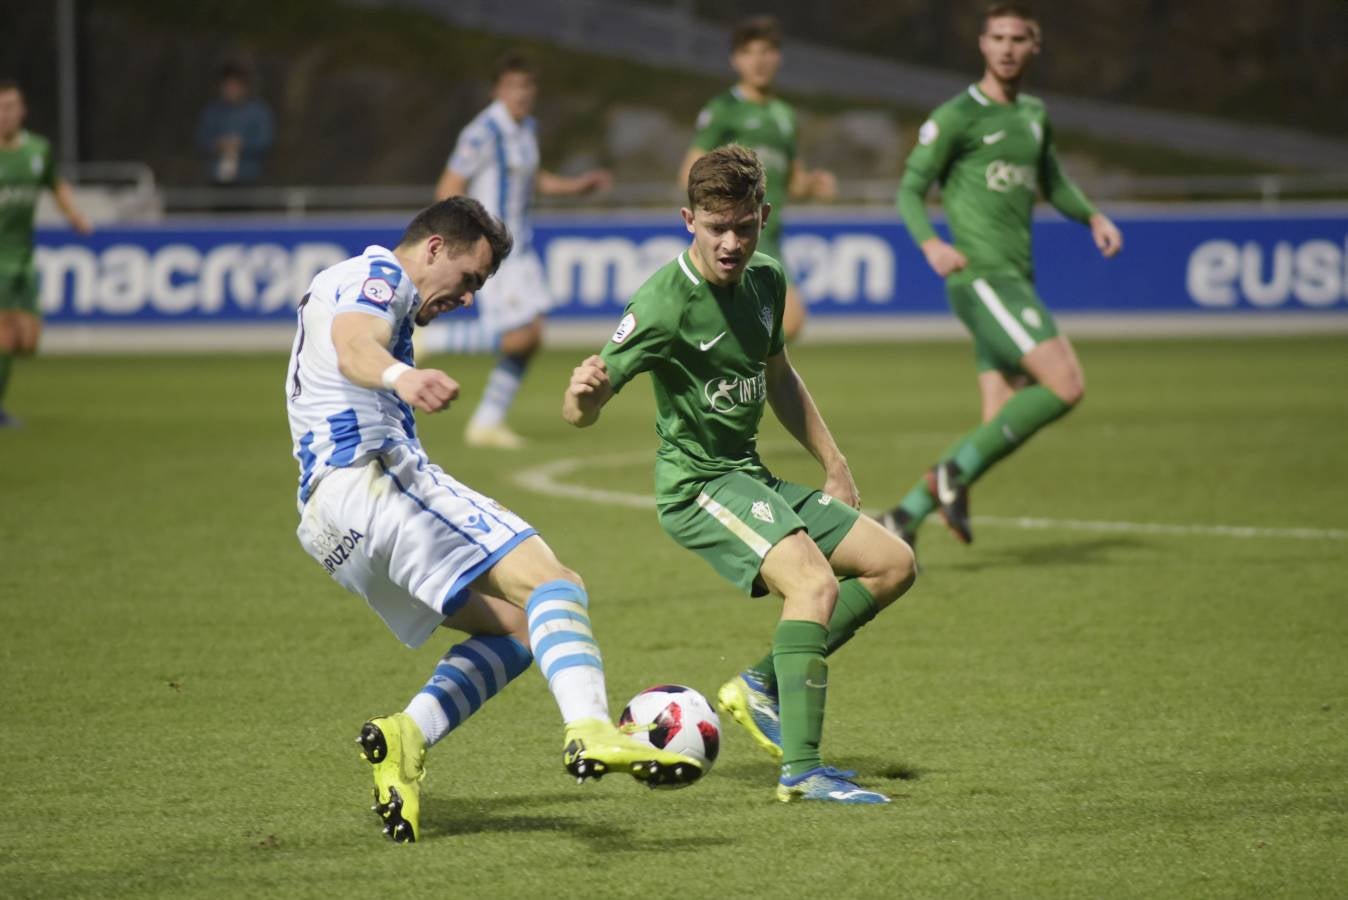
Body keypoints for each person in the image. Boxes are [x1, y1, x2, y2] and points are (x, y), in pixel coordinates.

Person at [287, 197, 700, 844]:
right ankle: (591, 729)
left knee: (519, 629)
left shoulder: (344, 281)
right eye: (470, 279)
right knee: (555, 584)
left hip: (328, 525)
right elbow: (351, 345)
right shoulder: (381, 277)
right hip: (372, 478)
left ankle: (407, 737)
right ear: (432, 249)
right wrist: (402, 377)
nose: (469, 298)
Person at [563, 146, 917, 804]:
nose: (730, 244)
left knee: (892, 563)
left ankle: (759, 686)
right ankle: (803, 772)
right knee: (813, 584)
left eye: (744, 227)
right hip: (698, 486)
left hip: (747, 474)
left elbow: (778, 375)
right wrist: (584, 394)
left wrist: (833, 463)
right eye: (715, 227)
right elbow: (580, 410)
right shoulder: (663, 303)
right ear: (687, 220)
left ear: (764, 218)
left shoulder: (767, 282)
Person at [878, 4, 1123, 547]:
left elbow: (1054, 182)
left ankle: (904, 516)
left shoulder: (1033, 114)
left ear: (1035, 46)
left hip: (1016, 278)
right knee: (1065, 383)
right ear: (982, 45)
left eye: (1019, 38)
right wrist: (932, 245)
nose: (1008, 47)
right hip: (982, 278)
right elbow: (909, 190)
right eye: (998, 37)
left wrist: (1093, 217)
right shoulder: (956, 116)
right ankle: (948, 475)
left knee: (1000, 419)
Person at [430, 51, 611, 449]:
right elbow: (447, 187)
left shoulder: (526, 127)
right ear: (498, 90)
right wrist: (466, 239)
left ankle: (487, 423)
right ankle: (430, 343)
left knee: (533, 335)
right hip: (491, 251)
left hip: (521, 249)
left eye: (527, 86)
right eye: (513, 86)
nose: (521, 94)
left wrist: (575, 186)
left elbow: (534, 179)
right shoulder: (482, 132)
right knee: (517, 336)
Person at [678, 15, 836, 342]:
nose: (759, 61)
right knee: (787, 320)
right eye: (750, 53)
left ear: (778, 57)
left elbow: (793, 181)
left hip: (769, 235)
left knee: (777, 327)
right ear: (736, 60)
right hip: (735, 233)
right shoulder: (724, 109)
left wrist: (812, 185)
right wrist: (722, 216)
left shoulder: (785, 116)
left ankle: (730, 381)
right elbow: (689, 173)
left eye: (766, 52)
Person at [0, 79, 92, 428]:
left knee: (28, 340)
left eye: (11, 107)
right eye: (0, 108)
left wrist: (75, 216)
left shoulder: (37, 151)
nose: (5, 114)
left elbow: (56, 185)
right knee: (6, 334)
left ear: (22, 111)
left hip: (24, 256)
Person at [194, 63, 274, 186]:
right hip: (216, 177)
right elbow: (201, 140)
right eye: (226, 85)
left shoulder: (258, 111)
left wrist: (240, 144)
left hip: (249, 177)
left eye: (234, 85)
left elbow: (264, 142)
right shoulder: (212, 111)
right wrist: (218, 144)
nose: (230, 89)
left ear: (244, 87)